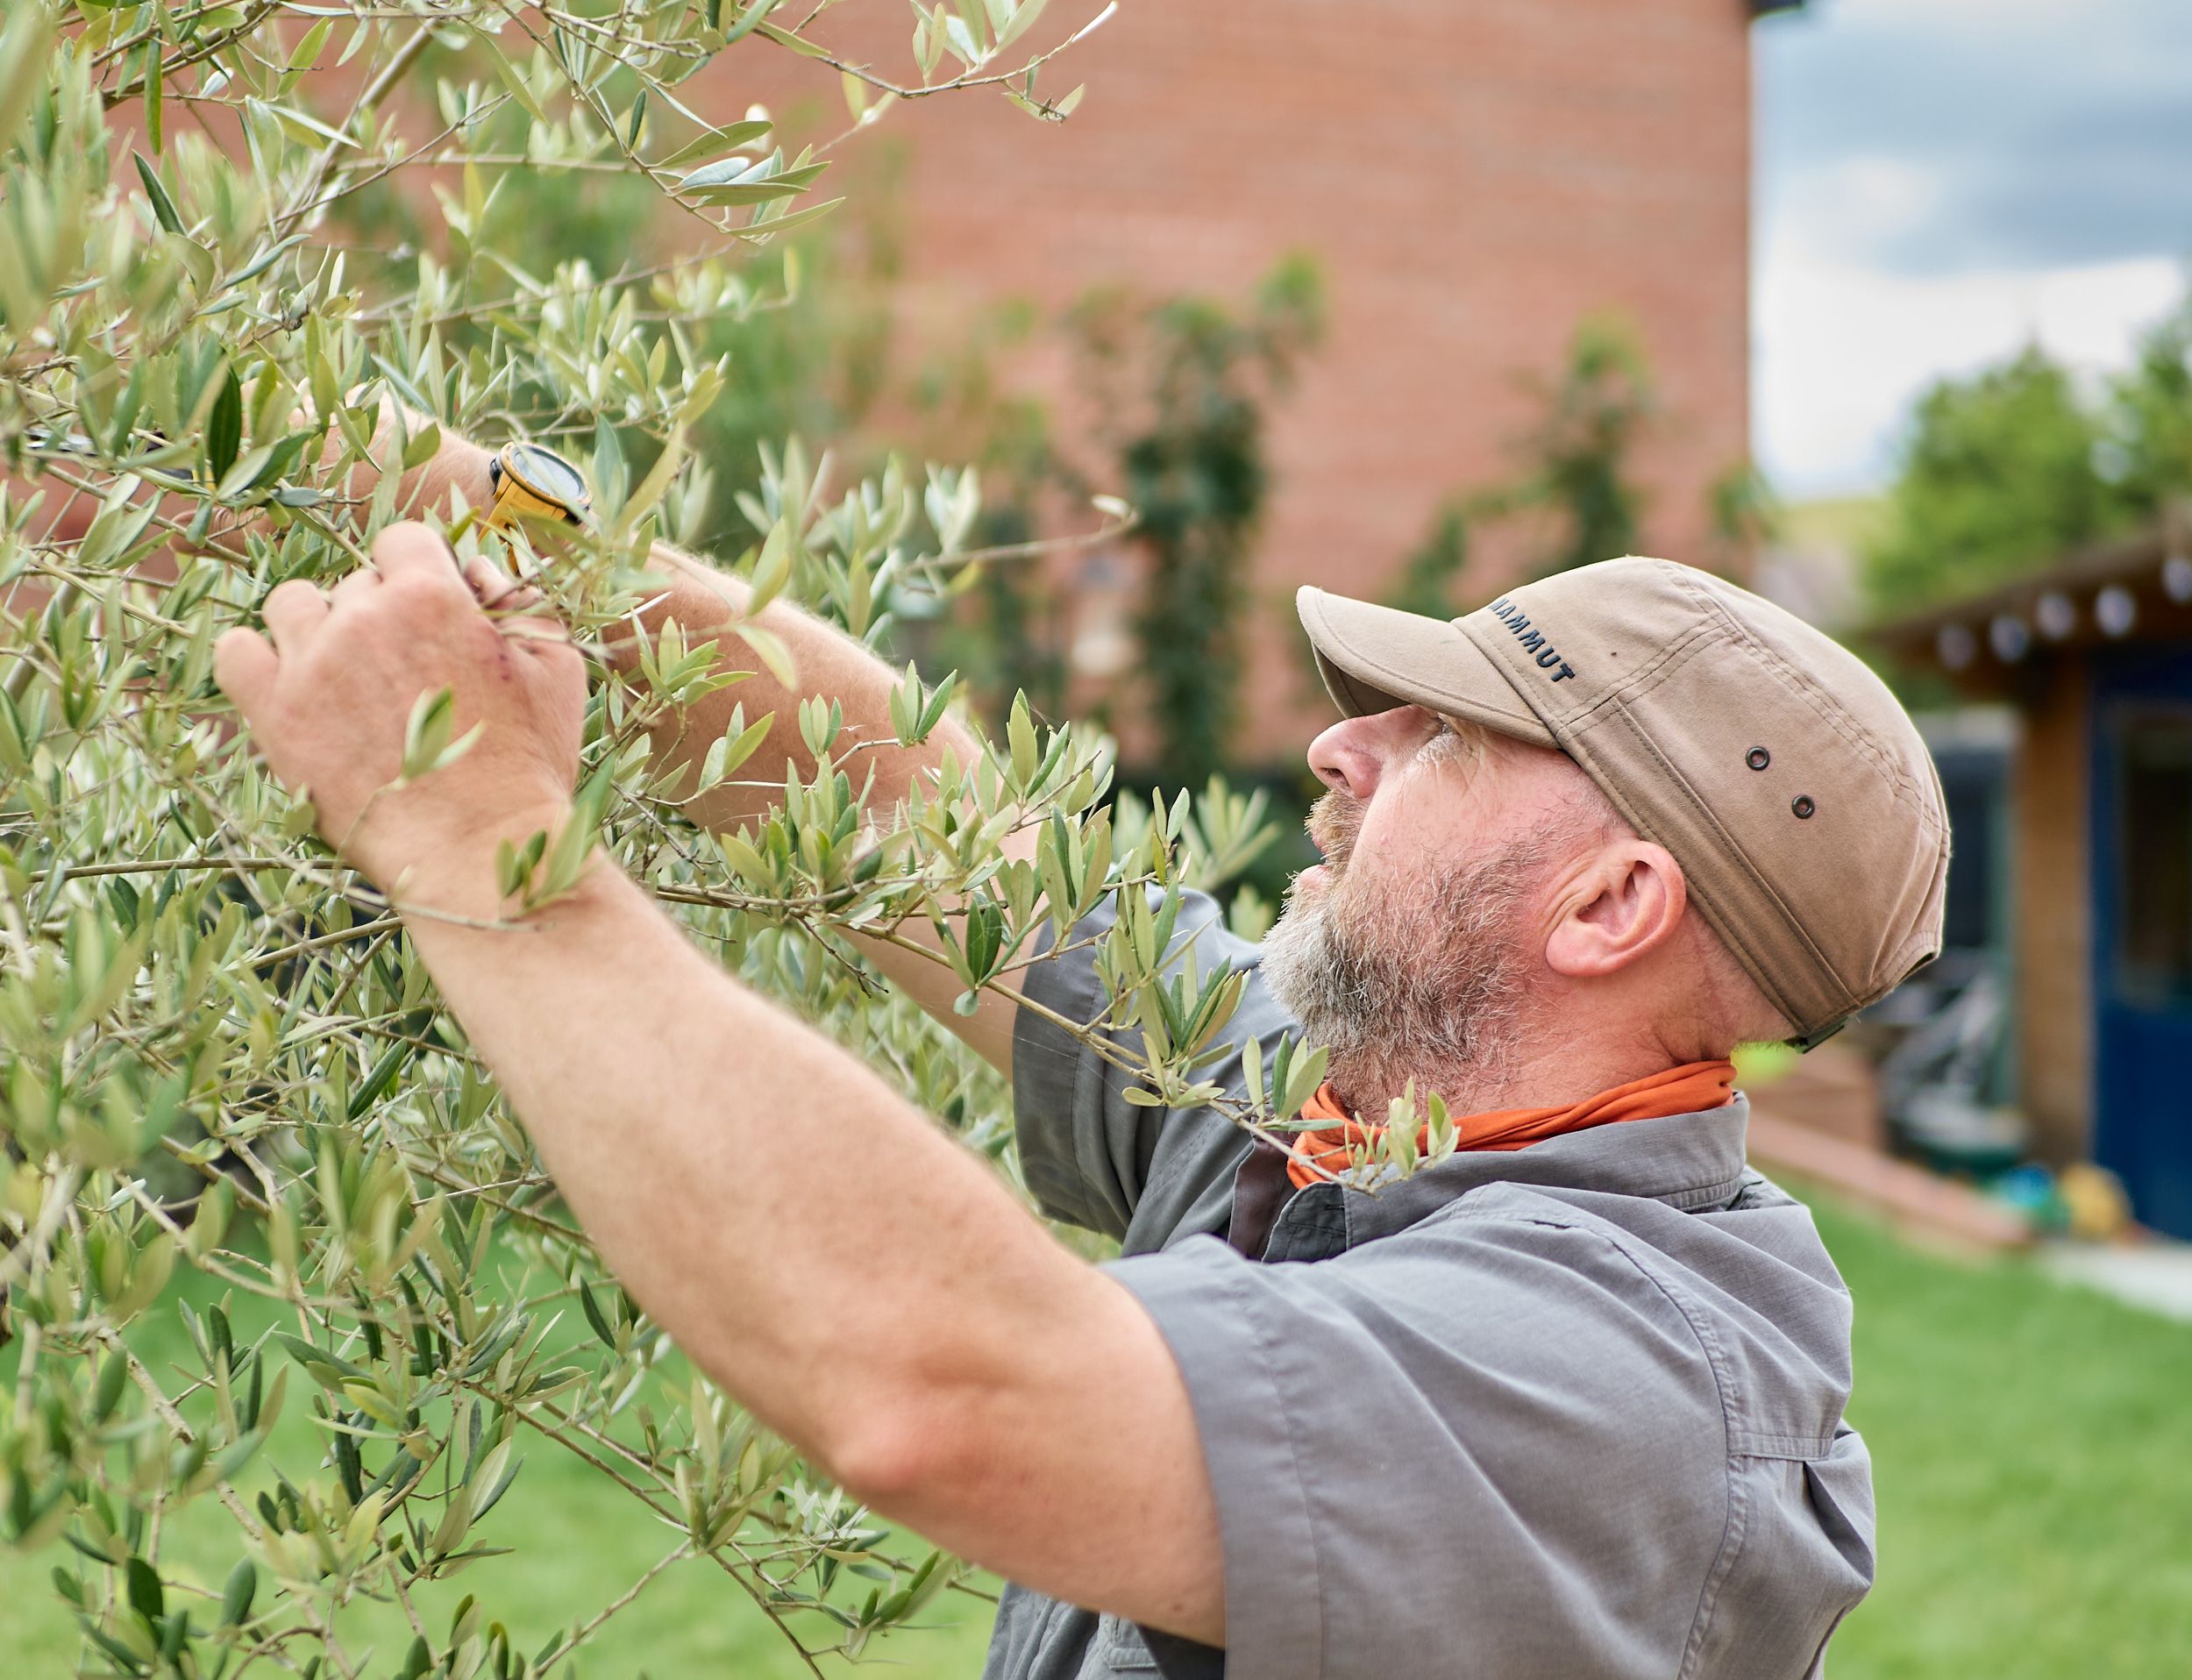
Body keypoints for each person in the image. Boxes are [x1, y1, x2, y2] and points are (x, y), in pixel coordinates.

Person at [212, 430, 1947, 1680]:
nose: (1340, 747)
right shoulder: (1350, 1111)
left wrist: (469, 828)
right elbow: (911, 812)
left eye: (1442, 739)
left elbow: (944, 1389)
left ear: (1608, 904)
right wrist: (442, 500)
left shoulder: (1624, 1393)